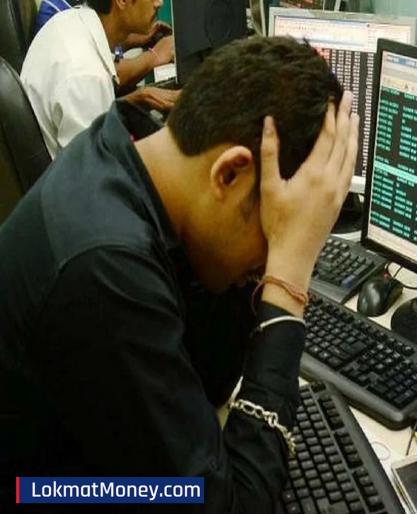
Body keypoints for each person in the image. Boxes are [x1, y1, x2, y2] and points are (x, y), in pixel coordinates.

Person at [0, 36, 358, 511]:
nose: (265, 267)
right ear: (229, 174)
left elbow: (209, 377)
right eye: (276, 236)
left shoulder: (126, 146)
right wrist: (287, 285)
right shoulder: (106, 270)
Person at [21, 0, 179, 158]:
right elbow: (91, 169)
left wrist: (130, 102)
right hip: (72, 171)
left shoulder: (67, 21)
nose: (159, 3)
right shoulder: (86, 76)